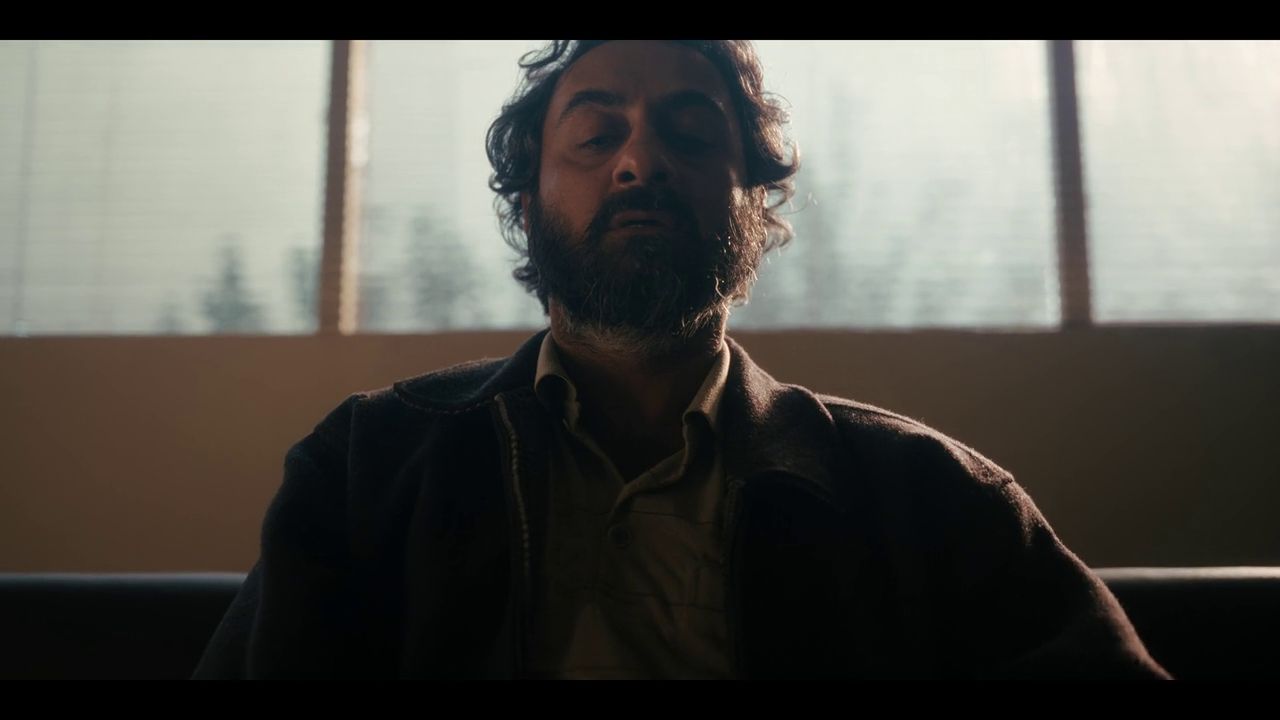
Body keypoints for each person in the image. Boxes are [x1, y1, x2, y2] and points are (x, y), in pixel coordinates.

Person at [192, 40, 1171, 679]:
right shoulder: (364, 469)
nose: (640, 161)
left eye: (690, 133)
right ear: (526, 203)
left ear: (756, 201)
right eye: (595, 135)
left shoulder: (933, 498)